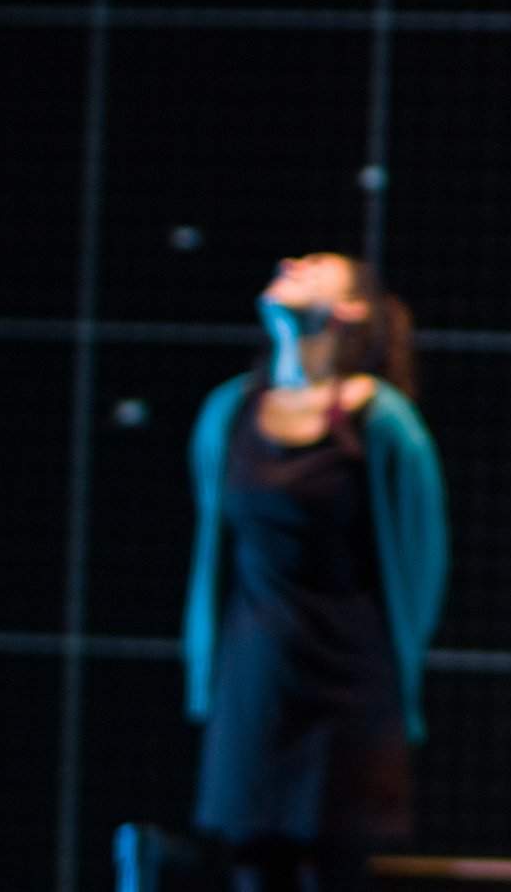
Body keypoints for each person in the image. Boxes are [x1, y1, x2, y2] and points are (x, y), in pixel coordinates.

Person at [185, 253, 449, 892]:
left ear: (349, 308)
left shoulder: (380, 419)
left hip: (348, 682)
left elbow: (421, 557)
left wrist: (403, 682)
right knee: (253, 866)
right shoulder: (230, 411)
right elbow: (211, 551)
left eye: (316, 265)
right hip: (257, 676)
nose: (289, 264)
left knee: (335, 872)